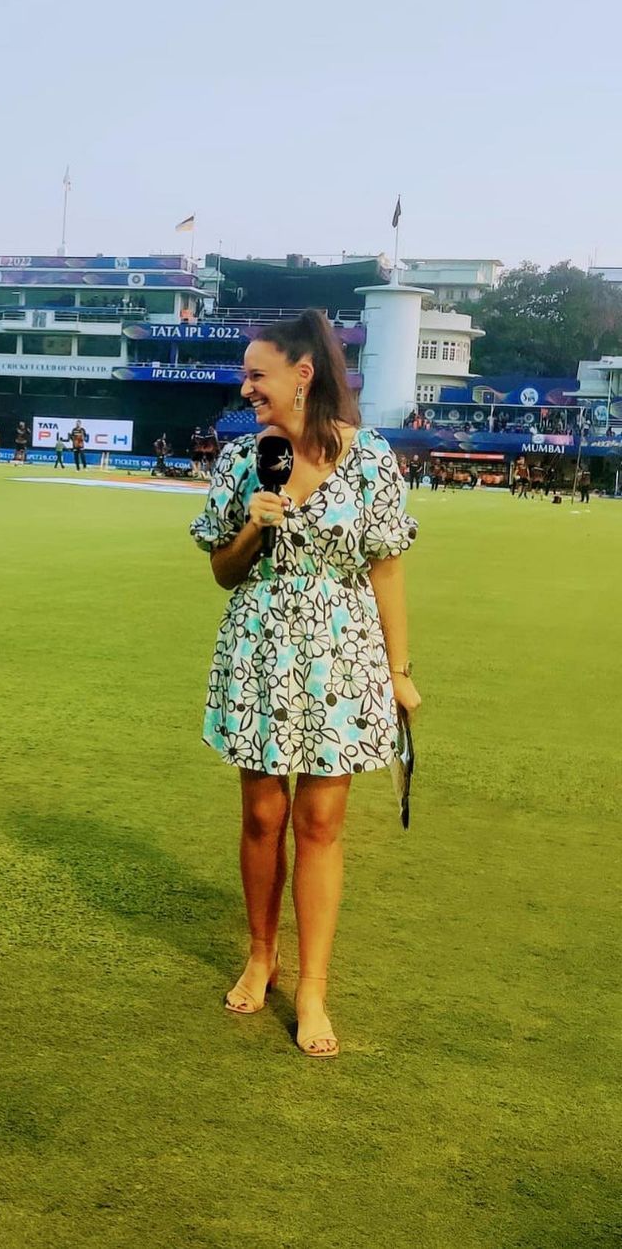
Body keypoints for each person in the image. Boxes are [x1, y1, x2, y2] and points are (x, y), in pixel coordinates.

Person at [189, 309, 420, 1059]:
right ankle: (262, 956)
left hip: (343, 659)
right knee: (263, 816)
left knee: (321, 823)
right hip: (259, 650)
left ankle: (313, 987)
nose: (245, 387)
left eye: (257, 374)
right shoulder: (241, 459)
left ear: (303, 374)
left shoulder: (372, 458)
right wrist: (253, 527)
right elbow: (222, 571)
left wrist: (400, 674)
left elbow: (387, 570)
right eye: (245, 375)